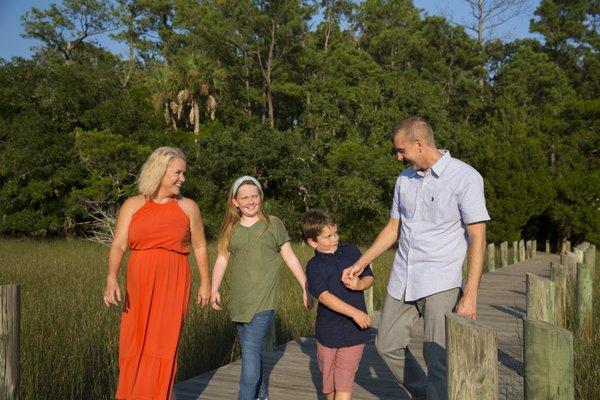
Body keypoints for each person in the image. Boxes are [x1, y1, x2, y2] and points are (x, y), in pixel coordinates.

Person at [342, 116, 489, 400]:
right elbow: (393, 228)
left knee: (437, 359)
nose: (398, 157)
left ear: (419, 144)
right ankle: (426, 394)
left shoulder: (465, 177)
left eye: (401, 150)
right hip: (403, 277)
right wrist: (362, 263)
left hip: (441, 280)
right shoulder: (404, 180)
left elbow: (478, 238)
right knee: (386, 344)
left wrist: (470, 294)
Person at [103, 146, 211, 400]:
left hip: (173, 280)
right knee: (134, 339)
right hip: (138, 282)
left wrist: (205, 283)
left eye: (183, 173)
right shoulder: (132, 205)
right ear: (160, 172)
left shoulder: (188, 207)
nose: (183, 178)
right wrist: (111, 278)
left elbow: (200, 246)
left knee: (163, 342)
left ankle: (160, 394)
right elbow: (118, 244)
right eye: (178, 172)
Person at [210, 175, 312, 400]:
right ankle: (262, 395)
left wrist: (305, 286)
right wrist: (214, 288)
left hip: (263, 303)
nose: (250, 201)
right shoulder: (230, 228)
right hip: (239, 303)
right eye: (244, 197)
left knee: (249, 354)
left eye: (254, 196)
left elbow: (290, 258)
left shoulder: (272, 224)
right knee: (253, 354)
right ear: (235, 201)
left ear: (260, 197)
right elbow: (221, 260)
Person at [300, 210, 374, 400]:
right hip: (328, 333)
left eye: (336, 233)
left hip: (355, 332)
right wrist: (355, 313)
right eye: (328, 236)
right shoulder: (314, 265)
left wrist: (360, 285)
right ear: (312, 242)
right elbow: (324, 297)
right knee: (329, 387)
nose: (335, 239)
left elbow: (369, 277)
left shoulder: (351, 251)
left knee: (344, 382)